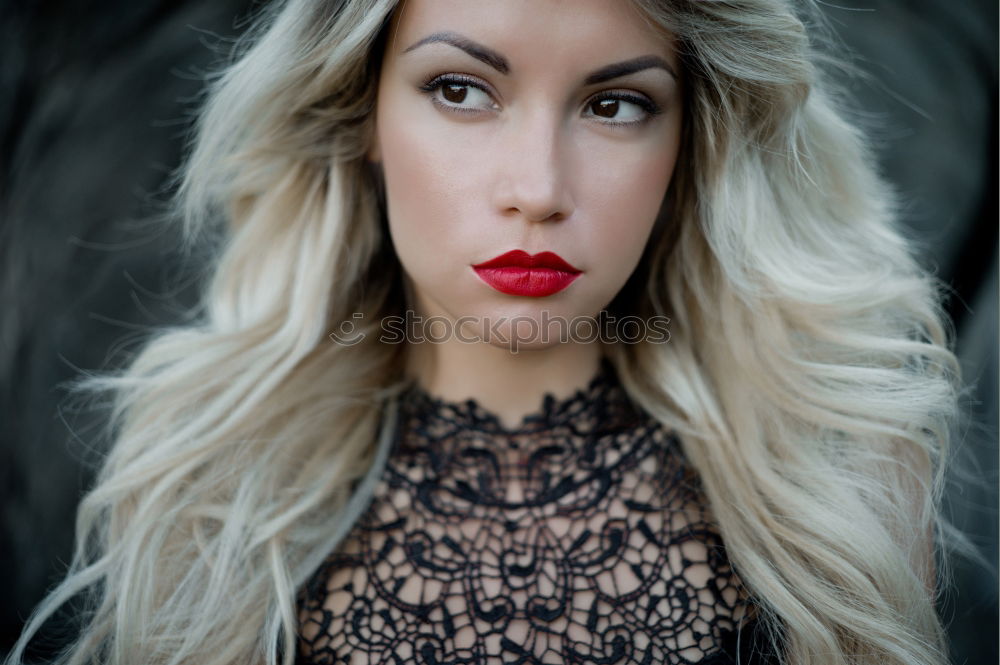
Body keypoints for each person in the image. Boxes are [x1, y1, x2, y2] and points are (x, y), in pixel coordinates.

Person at [6, 0, 963, 664]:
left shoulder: (843, 487)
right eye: (462, 90)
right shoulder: (208, 479)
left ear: (692, 142)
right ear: (363, 110)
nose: (539, 191)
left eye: (616, 104)